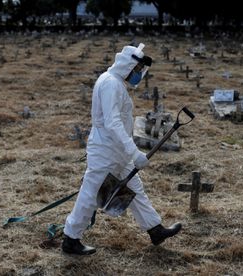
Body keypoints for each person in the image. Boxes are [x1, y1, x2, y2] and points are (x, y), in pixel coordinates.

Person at [62, 43, 182, 255]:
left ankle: (155, 229)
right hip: (105, 150)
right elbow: (112, 123)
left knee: (135, 189)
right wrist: (135, 152)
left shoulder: (115, 83)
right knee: (90, 194)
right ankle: (71, 239)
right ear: (127, 65)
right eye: (137, 71)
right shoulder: (110, 84)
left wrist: (129, 152)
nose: (138, 76)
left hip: (118, 150)